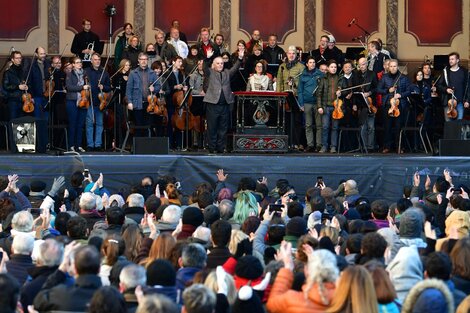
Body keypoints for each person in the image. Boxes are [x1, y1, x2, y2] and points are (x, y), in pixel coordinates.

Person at [267, 242, 338, 313]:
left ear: (306, 272)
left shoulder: (293, 300)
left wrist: (287, 267)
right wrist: (316, 260)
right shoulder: (345, 296)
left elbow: (271, 304)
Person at [33, 244, 103, 312]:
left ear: (75, 269)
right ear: (99, 269)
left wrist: (61, 270)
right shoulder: (110, 297)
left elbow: (38, 301)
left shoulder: (60, 294)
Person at [203, 46, 244, 153]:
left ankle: (220, 149)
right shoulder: (210, 72)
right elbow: (204, 67)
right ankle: (212, 149)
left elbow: (235, 69)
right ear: (214, 64)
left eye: (222, 63)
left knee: (223, 129)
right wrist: (207, 58)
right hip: (212, 105)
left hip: (225, 105)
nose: (220, 65)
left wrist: (240, 58)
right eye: (218, 63)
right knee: (212, 128)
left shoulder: (227, 72)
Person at [378, 59, 413, 153]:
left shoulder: (404, 78)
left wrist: (400, 95)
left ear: (397, 67)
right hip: (388, 105)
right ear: (388, 67)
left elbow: (409, 91)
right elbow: (378, 89)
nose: (393, 68)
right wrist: (387, 91)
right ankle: (387, 147)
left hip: (400, 105)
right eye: (391, 66)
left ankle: (400, 146)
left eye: (394, 66)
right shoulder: (384, 78)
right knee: (387, 127)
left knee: (399, 127)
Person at [276, 46, 305, 150]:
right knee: (286, 120)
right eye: (289, 53)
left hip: (296, 96)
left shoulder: (301, 67)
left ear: (296, 55)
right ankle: (286, 142)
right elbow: (279, 82)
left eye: (293, 53)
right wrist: (279, 96)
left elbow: (303, 82)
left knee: (297, 120)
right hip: (284, 97)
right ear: (287, 54)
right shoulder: (282, 66)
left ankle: (296, 143)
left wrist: (294, 83)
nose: (291, 55)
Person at [126, 52, 160, 137]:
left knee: (148, 127)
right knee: (139, 127)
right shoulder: (133, 73)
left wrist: (154, 89)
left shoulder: (152, 73)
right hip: (137, 104)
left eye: (145, 59)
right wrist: (129, 102)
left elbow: (158, 86)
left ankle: (147, 148)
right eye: (142, 59)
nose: (144, 61)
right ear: (138, 61)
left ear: (147, 61)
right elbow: (129, 89)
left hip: (149, 104)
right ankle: (138, 148)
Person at [84, 53, 111, 151]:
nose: (97, 61)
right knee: (90, 124)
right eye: (95, 60)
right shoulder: (86, 71)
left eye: (99, 60)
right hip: (89, 101)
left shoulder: (104, 72)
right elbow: (82, 84)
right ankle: (90, 145)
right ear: (91, 61)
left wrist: (103, 87)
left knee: (100, 124)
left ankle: (98, 144)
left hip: (100, 103)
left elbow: (109, 88)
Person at [298, 56, 324, 152]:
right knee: (308, 125)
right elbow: (300, 91)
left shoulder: (320, 74)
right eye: (310, 62)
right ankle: (310, 145)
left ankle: (318, 145)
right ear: (307, 64)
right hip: (307, 103)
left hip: (318, 103)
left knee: (319, 125)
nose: (312, 64)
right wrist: (301, 104)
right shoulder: (303, 75)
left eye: (313, 62)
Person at [317, 59, 342, 153]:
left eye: (335, 67)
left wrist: (340, 91)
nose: (334, 69)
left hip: (336, 107)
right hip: (325, 106)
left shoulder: (339, 78)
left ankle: (333, 147)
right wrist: (319, 106)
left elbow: (342, 87)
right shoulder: (323, 78)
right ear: (327, 68)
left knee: (335, 128)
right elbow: (319, 94)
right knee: (325, 127)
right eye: (332, 67)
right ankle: (324, 146)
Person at [354, 57, 378, 151]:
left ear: (367, 64)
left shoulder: (372, 74)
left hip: (370, 103)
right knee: (363, 127)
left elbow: (376, 88)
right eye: (360, 64)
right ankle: (363, 146)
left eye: (363, 64)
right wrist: (355, 104)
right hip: (361, 104)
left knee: (371, 127)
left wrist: (369, 93)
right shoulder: (356, 74)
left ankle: (370, 147)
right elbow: (355, 90)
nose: (362, 66)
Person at [65, 56, 88, 152]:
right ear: (73, 64)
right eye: (77, 62)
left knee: (80, 124)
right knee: (73, 123)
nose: (80, 64)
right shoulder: (69, 74)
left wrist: (88, 87)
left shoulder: (85, 74)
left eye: (80, 62)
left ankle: (78, 145)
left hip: (84, 100)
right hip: (72, 101)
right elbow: (69, 87)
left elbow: (88, 85)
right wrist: (82, 87)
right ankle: (71, 145)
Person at [437, 52, 469, 121]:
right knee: (449, 126)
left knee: (459, 125)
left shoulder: (464, 72)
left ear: (457, 60)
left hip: (460, 103)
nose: (450, 61)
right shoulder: (446, 72)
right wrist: (446, 89)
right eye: (449, 59)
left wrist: (467, 100)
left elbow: (468, 87)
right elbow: (439, 85)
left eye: (452, 59)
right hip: (448, 103)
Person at [2, 51, 28, 121]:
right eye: (17, 58)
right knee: (13, 122)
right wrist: (18, 87)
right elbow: (5, 86)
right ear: (12, 59)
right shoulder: (8, 72)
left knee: (22, 123)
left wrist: (27, 86)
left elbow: (26, 82)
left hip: (23, 101)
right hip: (13, 101)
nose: (19, 59)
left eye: (20, 58)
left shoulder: (23, 71)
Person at [28, 46, 51, 119]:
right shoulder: (31, 66)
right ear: (36, 54)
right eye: (41, 54)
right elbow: (29, 82)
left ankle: (44, 131)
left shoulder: (48, 64)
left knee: (46, 119)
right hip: (36, 96)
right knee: (37, 118)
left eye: (44, 53)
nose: (43, 55)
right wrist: (31, 96)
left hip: (47, 96)